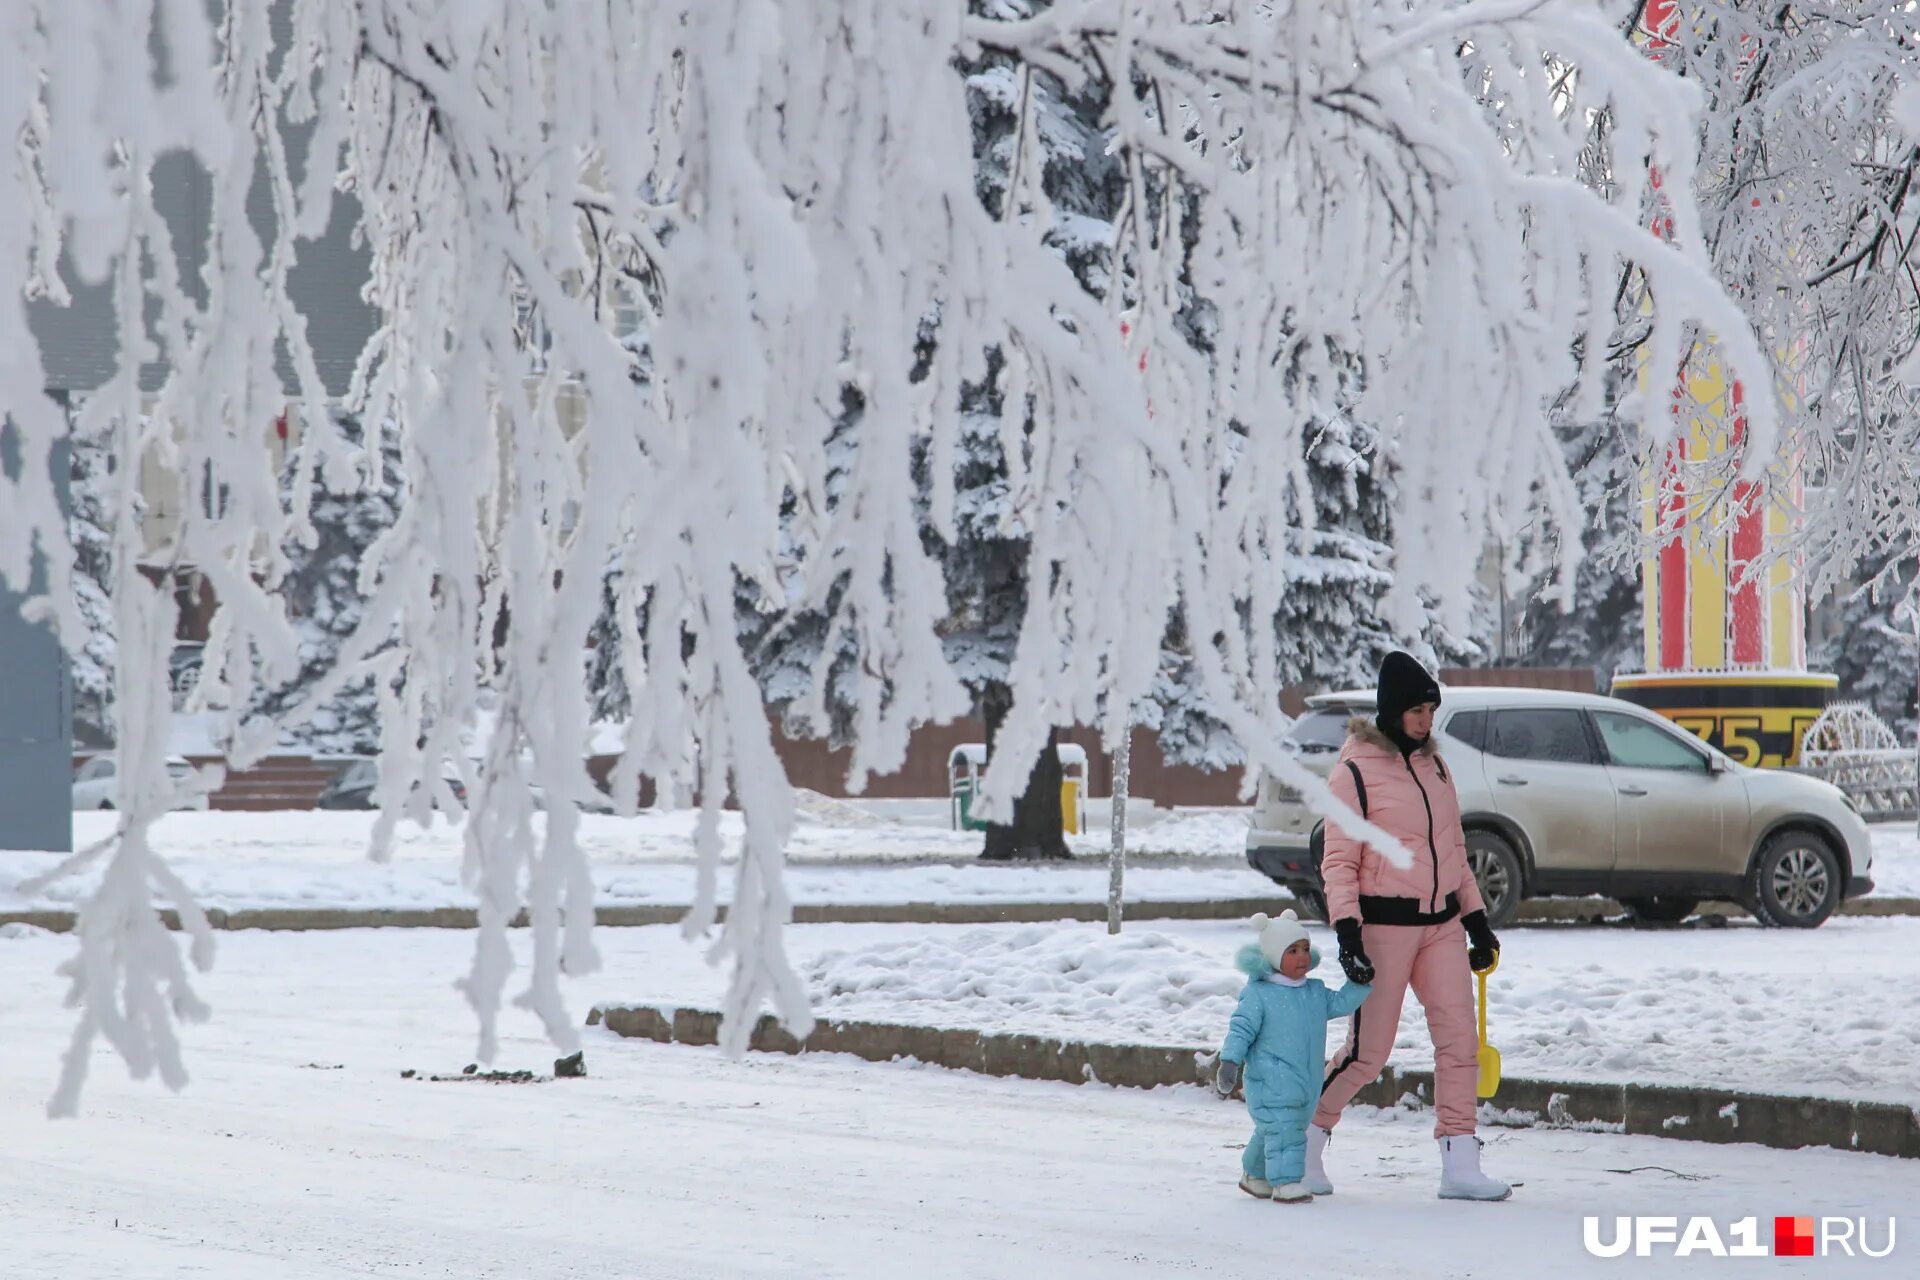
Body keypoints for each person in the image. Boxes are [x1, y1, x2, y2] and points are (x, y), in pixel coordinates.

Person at [1310, 650, 1511, 1202]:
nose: (1427, 721)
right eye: (1418, 711)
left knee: (1460, 1042)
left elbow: (1454, 851)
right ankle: (1300, 1139)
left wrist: (1477, 922)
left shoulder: (1435, 767)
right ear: (1393, 709)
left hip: (1441, 925)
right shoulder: (1354, 772)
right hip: (1383, 929)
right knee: (1367, 1054)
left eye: (1431, 710)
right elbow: (1339, 861)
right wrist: (1348, 934)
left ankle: (1460, 1163)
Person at [1215, 909, 1370, 1204]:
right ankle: (1286, 1182)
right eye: (1293, 951)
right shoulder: (1259, 994)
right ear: (1274, 956)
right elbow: (1241, 1029)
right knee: (1287, 1131)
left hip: (1306, 1081)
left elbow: (1341, 1003)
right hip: (1270, 1080)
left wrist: (1360, 982)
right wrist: (1230, 1061)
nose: (1302, 957)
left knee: (1274, 1129)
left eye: (1305, 949)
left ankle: (1253, 1174)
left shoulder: (1314, 991)